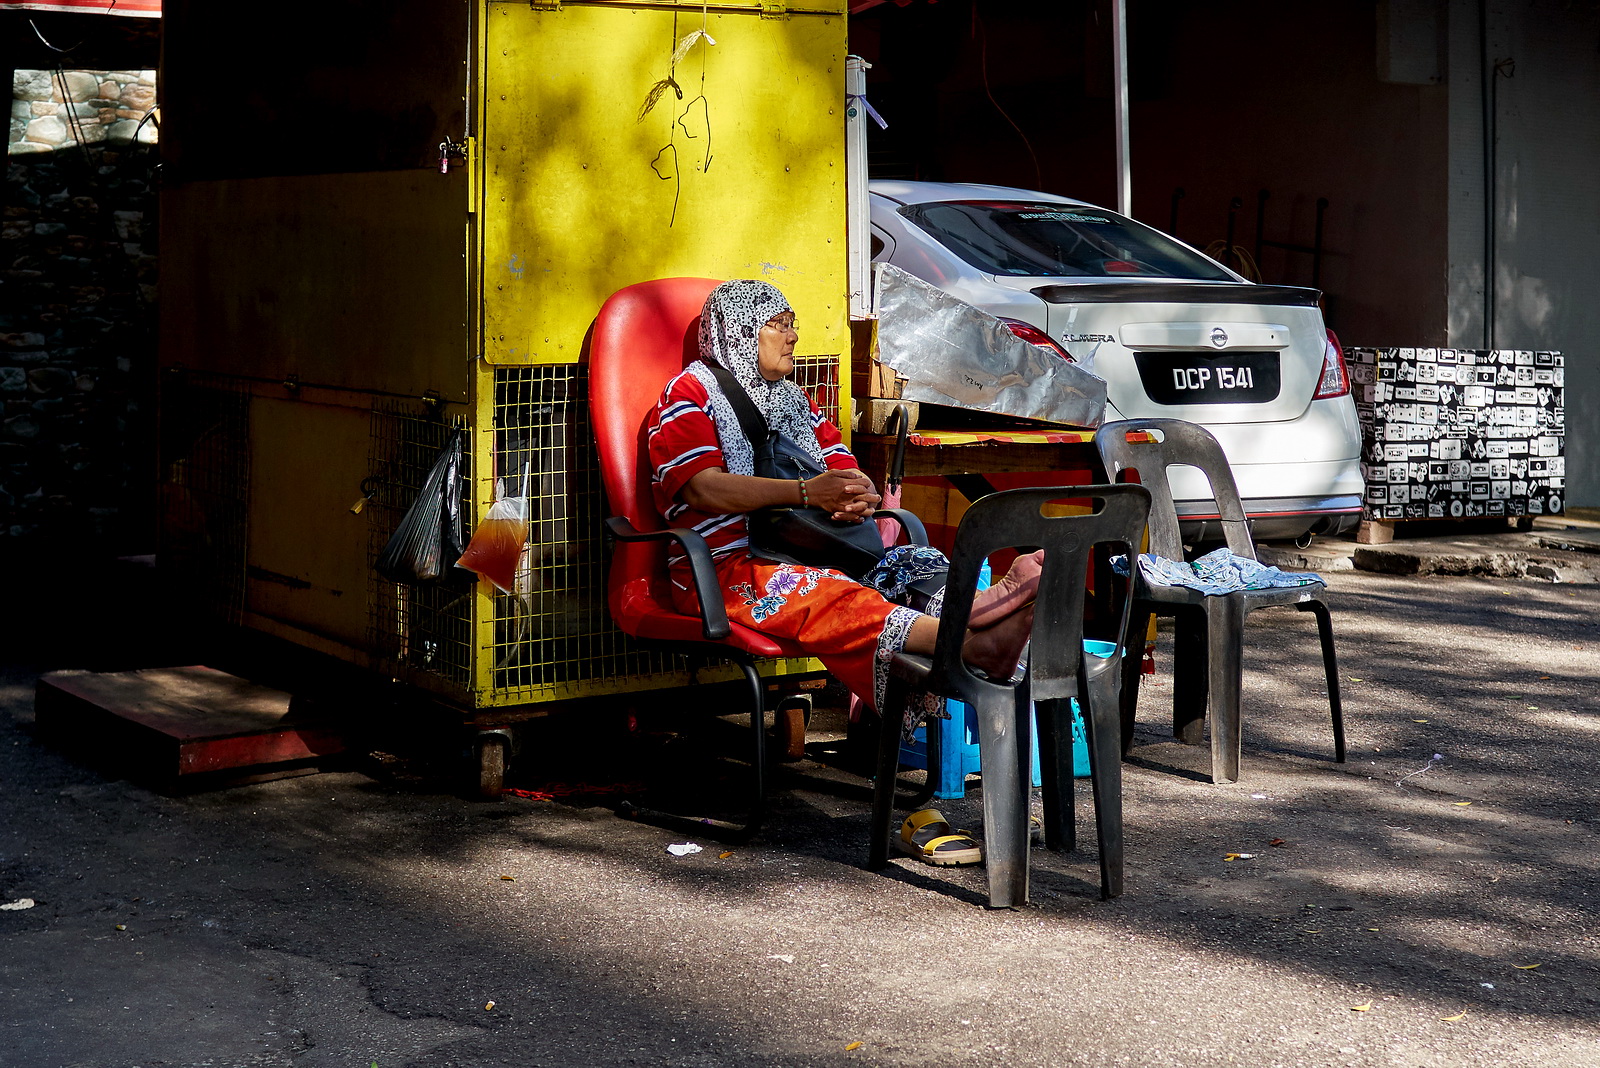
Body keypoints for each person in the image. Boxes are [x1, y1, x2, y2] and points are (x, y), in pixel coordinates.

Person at [646, 278, 1042, 755]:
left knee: (911, 563)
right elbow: (700, 486)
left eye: (792, 324)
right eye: (777, 325)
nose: (793, 335)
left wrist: (860, 496)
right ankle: (971, 644)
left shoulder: (795, 400)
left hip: (815, 548)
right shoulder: (689, 394)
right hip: (723, 566)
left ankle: (975, 607)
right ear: (739, 332)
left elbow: (844, 468)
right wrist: (807, 493)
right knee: (831, 592)